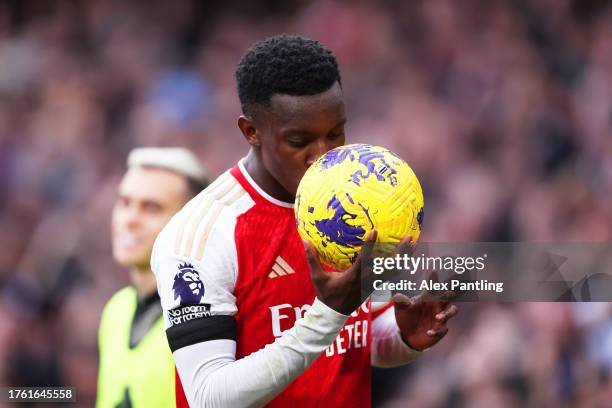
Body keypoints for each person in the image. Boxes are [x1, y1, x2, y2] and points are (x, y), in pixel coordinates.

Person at [151, 35, 458, 407]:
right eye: (300, 141)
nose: (323, 155)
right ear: (251, 132)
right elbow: (208, 397)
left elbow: (352, 344)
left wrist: (403, 337)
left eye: (335, 134)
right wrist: (328, 313)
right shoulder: (200, 235)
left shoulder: (361, 207)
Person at [97, 147, 208, 408]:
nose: (130, 219)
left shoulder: (207, 315)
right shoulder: (117, 309)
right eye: (124, 203)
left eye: (151, 208)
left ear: (191, 222)